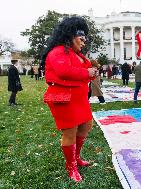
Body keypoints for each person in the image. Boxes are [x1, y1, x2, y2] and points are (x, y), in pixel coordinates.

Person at [42, 17, 97, 182]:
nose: (84, 41)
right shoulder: (58, 51)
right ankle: (71, 166)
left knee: (87, 125)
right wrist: (87, 73)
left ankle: (77, 158)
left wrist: (91, 69)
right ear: (71, 35)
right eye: (82, 37)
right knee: (70, 132)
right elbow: (64, 71)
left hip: (79, 97)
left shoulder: (76, 53)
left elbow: (84, 68)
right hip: (64, 97)